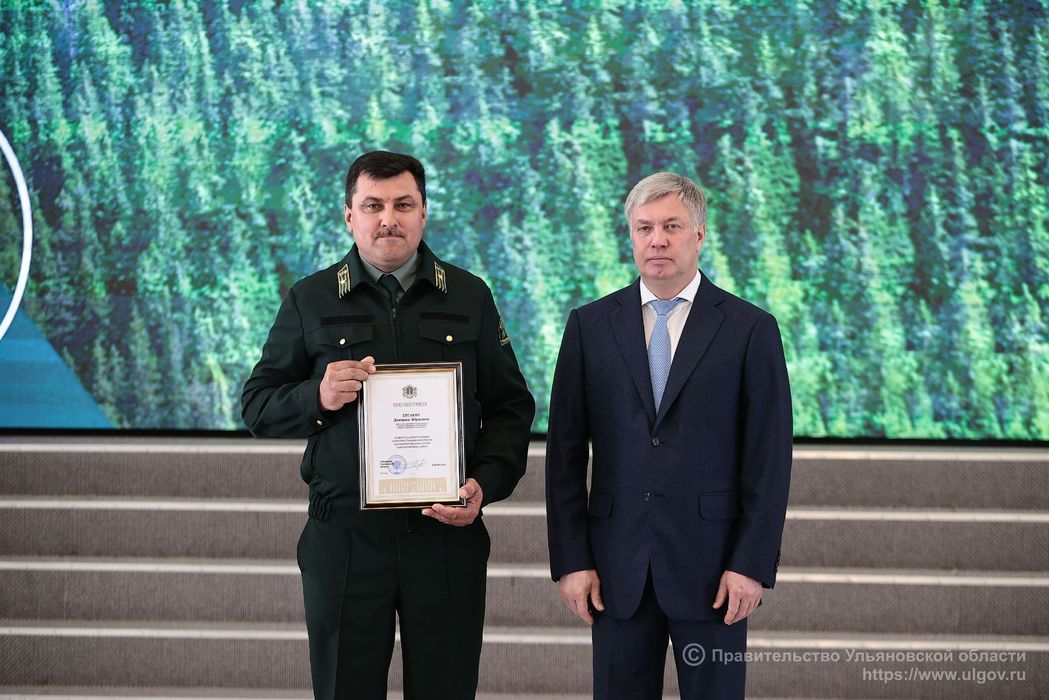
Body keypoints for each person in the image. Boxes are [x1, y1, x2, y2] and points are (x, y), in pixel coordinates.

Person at [242, 150, 535, 700]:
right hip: (346, 538)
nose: (388, 219)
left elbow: (510, 407)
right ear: (349, 216)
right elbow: (257, 405)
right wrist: (318, 395)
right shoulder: (310, 298)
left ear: (424, 212)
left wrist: (485, 484)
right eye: (373, 205)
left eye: (403, 205)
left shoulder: (469, 295)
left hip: (444, 536)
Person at [545, 172, 792, 699]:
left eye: (672, 226)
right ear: (631, 236)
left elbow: (768, 460)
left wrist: (750, 565)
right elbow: (564, 454)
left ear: (699, 234)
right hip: (615, 571)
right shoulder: (590, 326)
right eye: (644, 228)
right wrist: (572, 560)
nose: (657, 239)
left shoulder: (750, 329)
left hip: (715, 573)